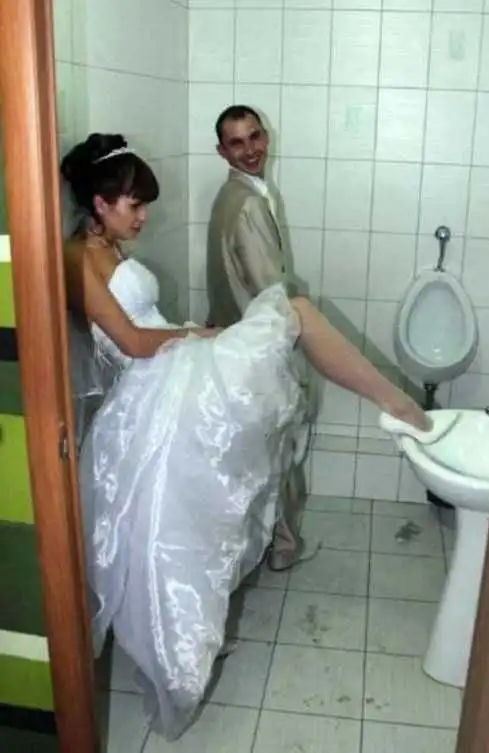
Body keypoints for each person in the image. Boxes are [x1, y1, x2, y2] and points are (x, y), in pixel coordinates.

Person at [61, 132, 430, 740]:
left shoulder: (105, 245)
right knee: (291, 312)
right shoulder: (78, 259)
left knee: (291, 314)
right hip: (155, 380)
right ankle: (395, 401)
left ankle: (392, 399)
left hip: (172, 364)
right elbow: (130, 341)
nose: (144, 215)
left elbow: (143, 326)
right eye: (134, 204)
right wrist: (200, 336)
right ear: (100, 203)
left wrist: (191, 333)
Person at [205, 105, 306, 571]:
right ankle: (282, 547)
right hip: (256, 345)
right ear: (222, 151)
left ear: (267, 136)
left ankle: (265, 545)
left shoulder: (240, 193)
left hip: (236, 337)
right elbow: (270, 290)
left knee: (260, 452)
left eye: (255, 137)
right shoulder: (247, 203)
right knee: (276, 448)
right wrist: (301, 333)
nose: (250, 150)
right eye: (237, 142)